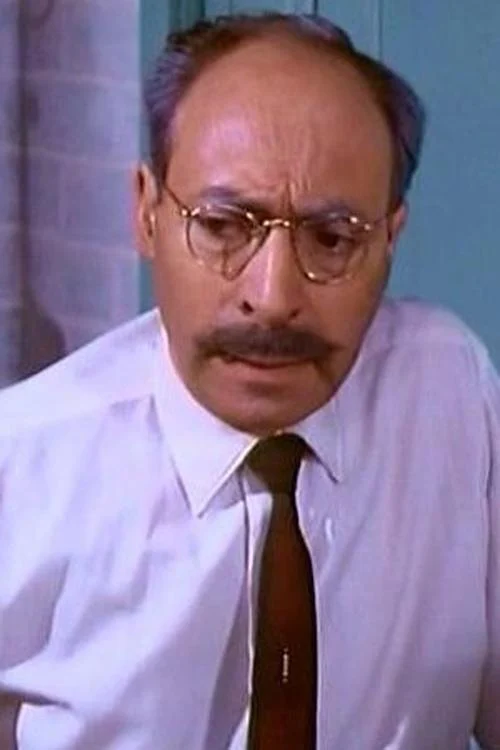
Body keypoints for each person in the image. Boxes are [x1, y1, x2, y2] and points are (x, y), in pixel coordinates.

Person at [0, 11, 498, 750]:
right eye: (224, 226)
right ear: (147, 213)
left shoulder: (448, 390)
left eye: (333, 239)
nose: (272, 297)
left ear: (391, 238)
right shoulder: (23, 471)